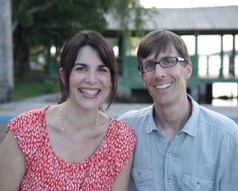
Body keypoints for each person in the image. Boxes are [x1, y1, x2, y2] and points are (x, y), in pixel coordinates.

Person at [0, 30, 136, 190]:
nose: (92, 79)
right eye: (81, 68)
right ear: (64, 76)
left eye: (102, 70)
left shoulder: (121, 140)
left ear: (111, 79)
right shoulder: (25, 130)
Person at [117, 29, 238, 191]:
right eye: (149, 65)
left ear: (187, 69)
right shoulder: (125, 130)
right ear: (142, 77)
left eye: (168, 61)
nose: (159, 74)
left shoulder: (227, 138)